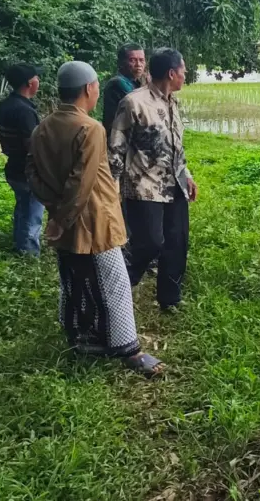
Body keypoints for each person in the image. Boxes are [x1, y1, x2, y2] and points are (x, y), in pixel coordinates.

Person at [25, 61, 163, 377]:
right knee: (114, 282)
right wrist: (63, 217)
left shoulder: (42, 127)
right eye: (97, 87)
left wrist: (54, 207)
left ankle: (82, 338)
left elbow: (31, 171)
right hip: (95, 221)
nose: (98, 92)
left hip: (64, 218)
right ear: (89, 89)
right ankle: (129, 350)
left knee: (75, 279)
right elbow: (82, 182)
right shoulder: (90, 128)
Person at [109, 48, 197, 312]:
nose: (185, 75)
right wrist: (112, 189)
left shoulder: (172, 103)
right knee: (148, 245)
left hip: (174, 185)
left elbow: (175, 147)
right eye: (183, 71)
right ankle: (116, 290)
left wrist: (187, 175)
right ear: (171, 73)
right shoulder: (133, 103)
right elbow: (116, 148)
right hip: (143, 187)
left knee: (176, 243)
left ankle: (170, 298)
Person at [0, 63, 44, 256]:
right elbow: (31, 145)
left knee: (23, 208)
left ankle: (19, 244)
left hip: (13, 166)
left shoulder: (6, 105)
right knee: (32, 214)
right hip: (27, 170)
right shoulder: (24, 111)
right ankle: (28, 254)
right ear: (30, 83)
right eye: (37, 78)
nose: (39, 81)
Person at [103, 43, 146, 134]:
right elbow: (142, 107)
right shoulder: (117, 83)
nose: (138, 64)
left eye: (141, 60)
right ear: (121, 63)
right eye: (132, 60)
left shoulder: (136, 82)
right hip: (118, 136)